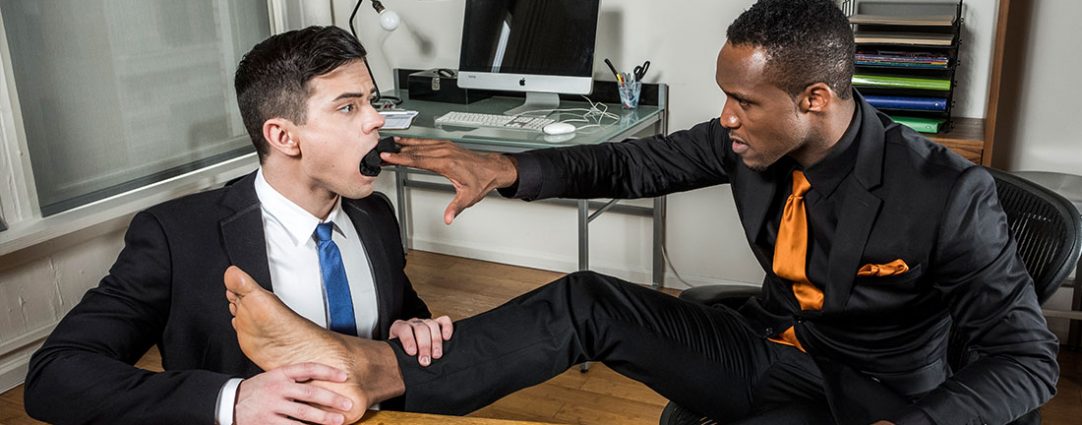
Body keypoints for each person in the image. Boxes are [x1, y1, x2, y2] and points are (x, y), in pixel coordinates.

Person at [222, 1, 1060, 424]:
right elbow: (626, 160)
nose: (725, 118)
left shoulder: (948, 194)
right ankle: (370, 371)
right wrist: (507, 165)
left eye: (743, 101)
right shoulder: (747, 142)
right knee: (585, 298)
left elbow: (1026, 360)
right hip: (765, 347)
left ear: (814, 97)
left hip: (865, 396)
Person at [23, 26, 453, 425]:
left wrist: (410, 329)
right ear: (283, 137)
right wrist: (231, 401)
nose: (376, 120)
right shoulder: (176, 237)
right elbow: (55, 374)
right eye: (348, 107)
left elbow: (403, 310)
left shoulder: (376, 214)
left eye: (372, 101)